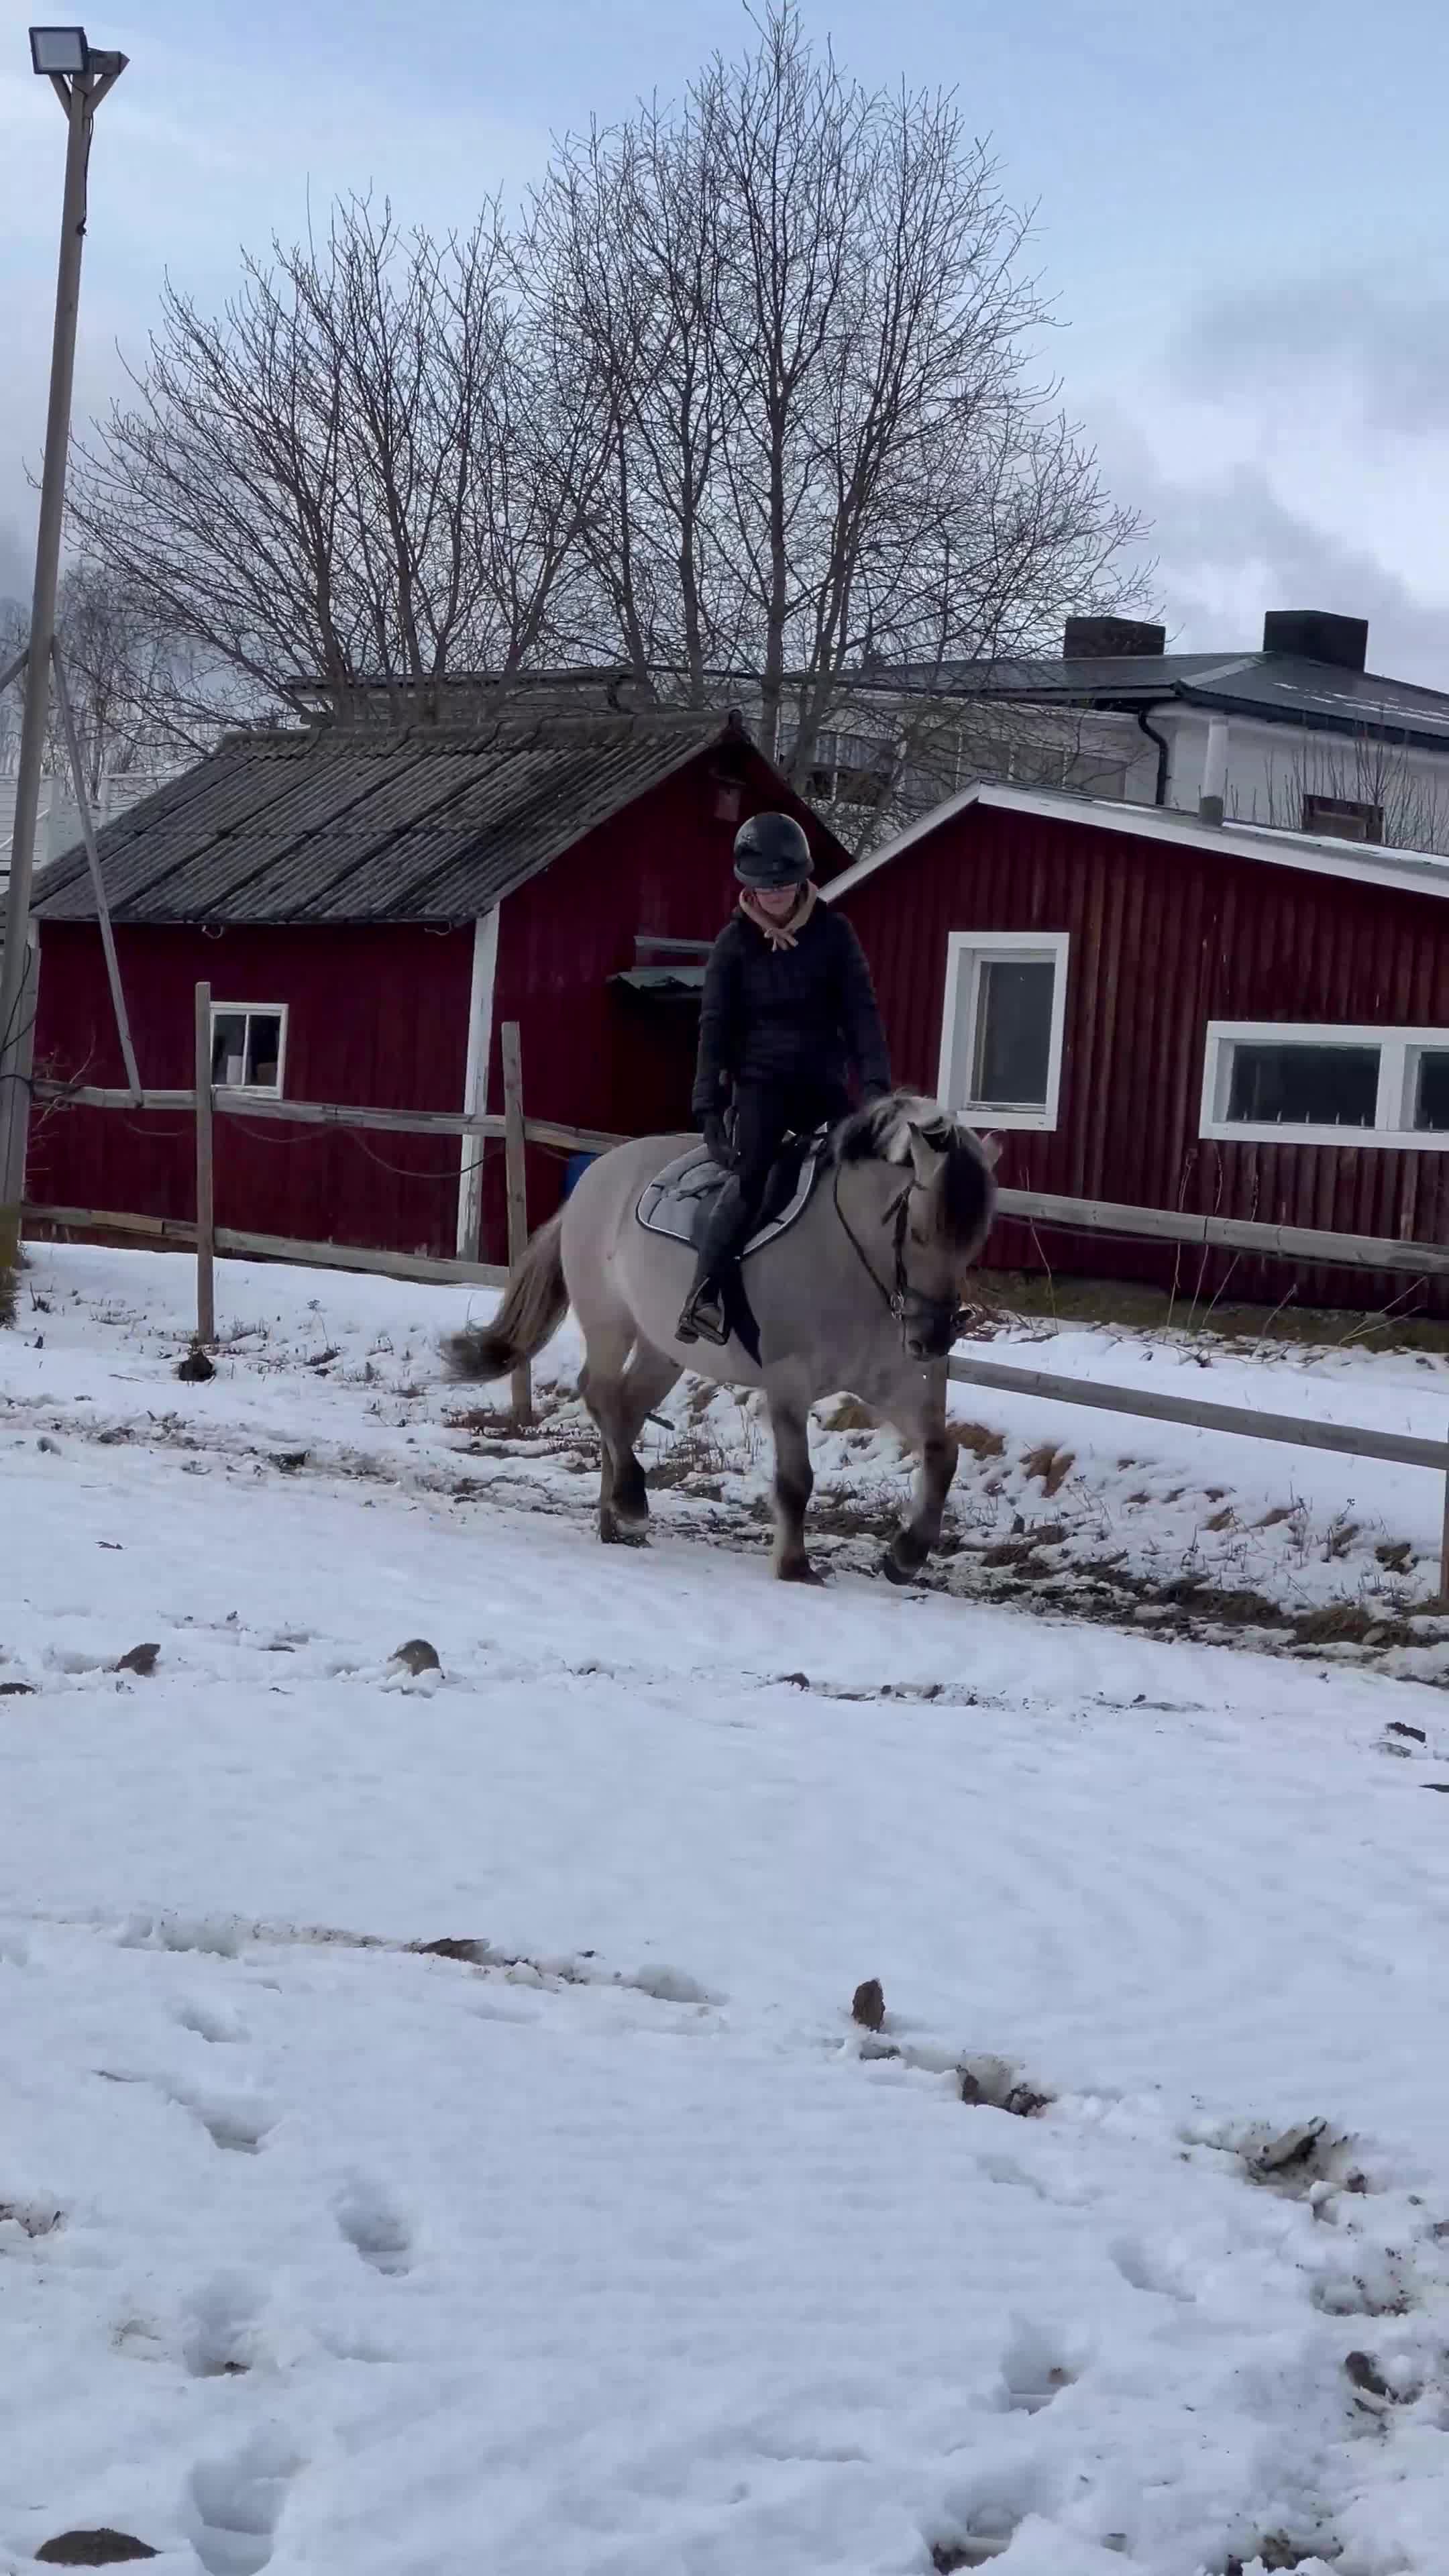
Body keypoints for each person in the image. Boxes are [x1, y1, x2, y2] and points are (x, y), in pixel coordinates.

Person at [676, 810, 892, 1346]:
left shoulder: (835, 934)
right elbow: (715, 1026)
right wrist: (708, 1106)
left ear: (803, 880)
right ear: (747, 886)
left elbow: (861, 1012)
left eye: (783, 885)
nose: (773, 895)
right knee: (752, 1182)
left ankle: (898, 1296)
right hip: (761, 1086)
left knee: (869, 1171)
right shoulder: (734, 944)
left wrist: (875, 1087)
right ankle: (705, 1294)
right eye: (762, 887)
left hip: (822, 1082)